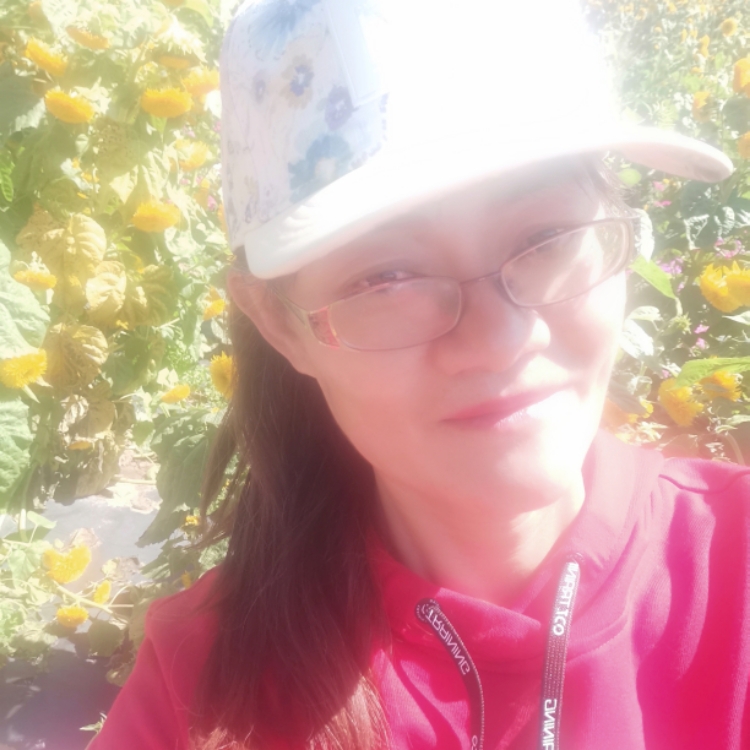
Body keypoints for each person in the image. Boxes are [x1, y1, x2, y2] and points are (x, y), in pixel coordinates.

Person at [89, 1, 750, 749]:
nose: (499, 341)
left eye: (548, 237)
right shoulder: (200, 687)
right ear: (280, 324)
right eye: (386, 277)